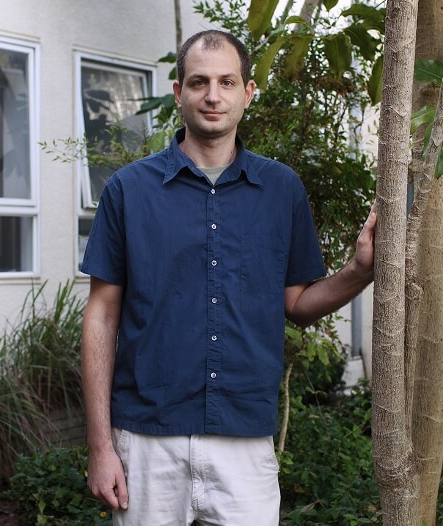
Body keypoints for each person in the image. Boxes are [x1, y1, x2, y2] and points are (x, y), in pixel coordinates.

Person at [80, 29, 376, 526]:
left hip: (245, 443)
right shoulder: (129, 191)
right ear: (179, 92)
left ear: (248, 92)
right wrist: (99, 444)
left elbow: (298, 303)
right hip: (148, 442)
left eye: (226, 82)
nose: (212, 96)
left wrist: (360, 271)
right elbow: (101, 316)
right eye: (198, 82)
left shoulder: (281, 190)